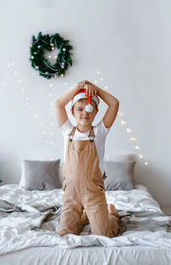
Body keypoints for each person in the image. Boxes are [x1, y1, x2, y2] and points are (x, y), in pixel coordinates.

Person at [55, 80, 120, 237]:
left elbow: (114, 104)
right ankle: (84, 216)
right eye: (80, 109)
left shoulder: (100, 132)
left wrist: (94, 88)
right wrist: (79, 87)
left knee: (105, 235)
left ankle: (111, 213)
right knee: (64, 234)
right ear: (72, 112)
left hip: (93, 193)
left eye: (90, 109)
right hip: (71, 193)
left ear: (96, 112)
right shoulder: (67, 131)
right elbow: (58, 104)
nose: (85, 112)